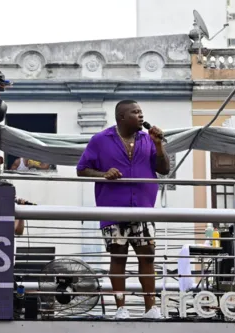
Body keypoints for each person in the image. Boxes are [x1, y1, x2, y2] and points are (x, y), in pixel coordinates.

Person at [76, 100, 170, 319]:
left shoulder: (148, 140)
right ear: (121, 117)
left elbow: (164, 169)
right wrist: (103, 174)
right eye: (135, 112)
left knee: (147, 258)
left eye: (141, 112)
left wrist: (159, 145)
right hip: (113, 210)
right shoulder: (100, 140)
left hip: (143, 210)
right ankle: (120, 308)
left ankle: (151, 309)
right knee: (118, 258)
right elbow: (82, 169)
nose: (140, 116)